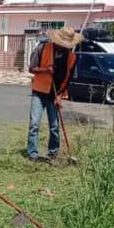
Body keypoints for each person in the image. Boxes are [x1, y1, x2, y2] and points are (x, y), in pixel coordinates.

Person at [27, 26, 83, 164]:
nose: (65, 47)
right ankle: (32, 153)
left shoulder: (72, 58)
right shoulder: (43, 48)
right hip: (39, 92)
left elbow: (68, 79)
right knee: (34, 124)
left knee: (54, 126)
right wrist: (46, 70)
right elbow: (31, 68)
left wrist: (60, 96)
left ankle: (53, 152)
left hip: (55, 94)